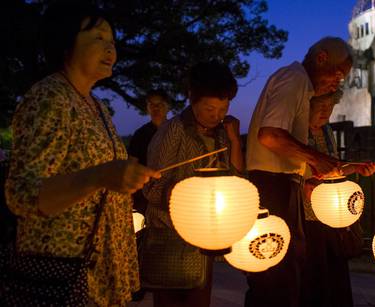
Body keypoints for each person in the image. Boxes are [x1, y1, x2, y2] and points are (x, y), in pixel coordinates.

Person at [3, 1, 160, 306]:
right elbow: (21, 194)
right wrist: (102, 175)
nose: (110, 48)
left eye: (112, 41)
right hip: (62, 269)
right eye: (98, 38)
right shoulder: (49, 98)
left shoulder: (96, 106)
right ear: (65, 43)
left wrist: (126, 174)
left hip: (99, 268)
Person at [245, 36, 375, 307]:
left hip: (282, 182)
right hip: (273, 183)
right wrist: (316, 158)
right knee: (275, 270)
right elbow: (269, 135)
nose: (337, 82)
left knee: (288, 267)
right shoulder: (293, 79)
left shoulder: (301, 86)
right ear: (321, 59)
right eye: (338, 75)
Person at [142, 61, 243, 307]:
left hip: (203, 239)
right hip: (171, 238)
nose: (217, 115)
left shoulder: (221, 133)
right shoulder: (173, 130)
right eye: (209, 108)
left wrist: (234, 140)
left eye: (223, 108)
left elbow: (239, 181)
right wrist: (190, 204)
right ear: (191, 98)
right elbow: (152, 188)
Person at [302, 90, 375, 307]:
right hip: (308, 216)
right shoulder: (296, 133)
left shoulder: (326, 131)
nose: (326, 113)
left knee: (335, 273)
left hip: (332, 215)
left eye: (330, 107)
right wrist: (305, 186)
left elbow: (334, 169)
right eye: (320, 107)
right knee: (314, 276)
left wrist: (357, 167)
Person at [128, 90, 170, 214]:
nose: (155, 108)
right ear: (147, 108)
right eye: (152, 105)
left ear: (167, 107)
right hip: (144, 194)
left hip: (171, 189)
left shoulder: (176, 130)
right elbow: (131, 165)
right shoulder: (140, 134)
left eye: (160, 105)